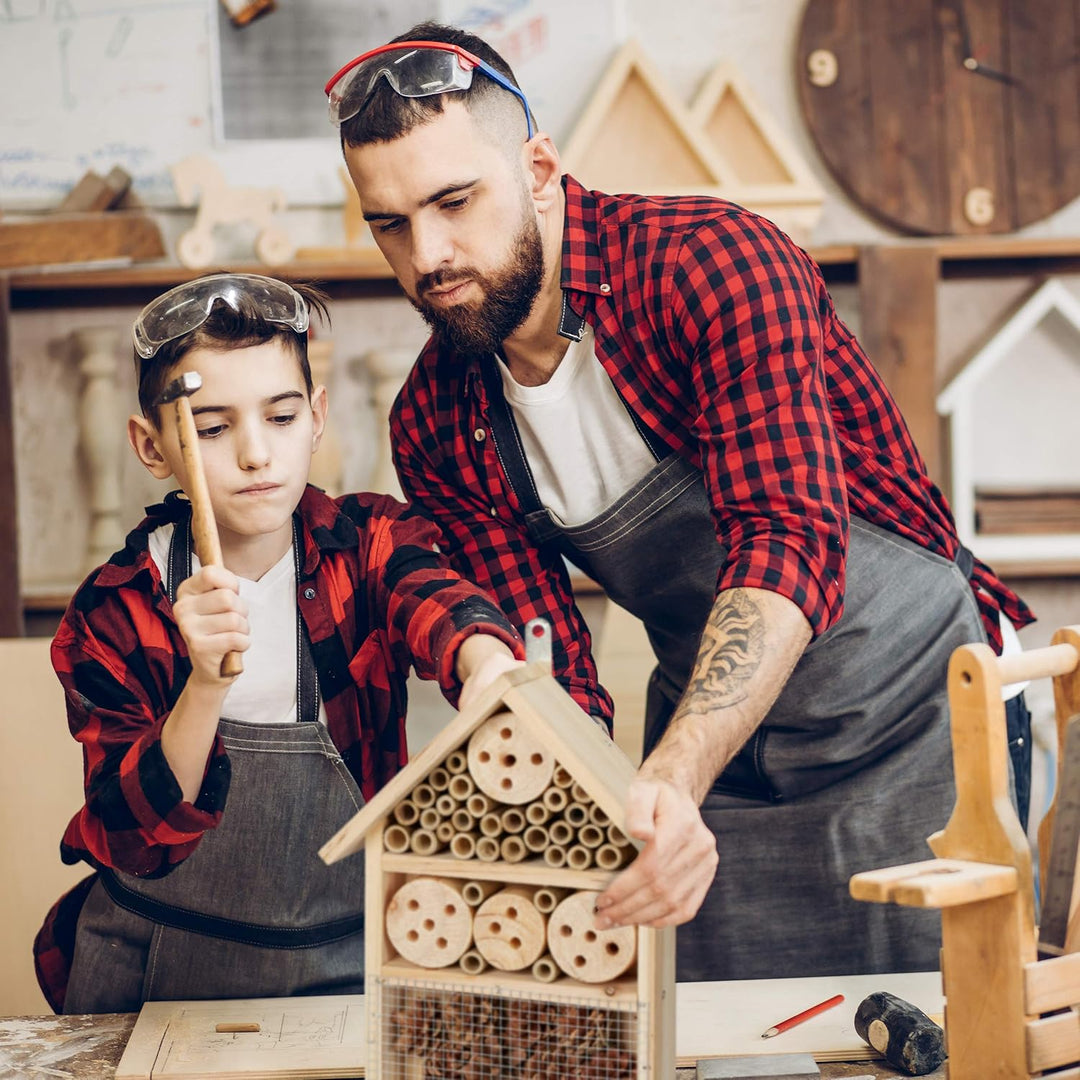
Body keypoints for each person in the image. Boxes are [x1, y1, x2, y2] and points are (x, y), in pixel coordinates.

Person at [327, 24, 1035, 979]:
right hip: (720, 754)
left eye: (455, 201)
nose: (429, 256)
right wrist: (599, 811)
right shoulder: (437, 417)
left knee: (934, 1022)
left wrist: (674, 766)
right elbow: (547, 667)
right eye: (390, 223)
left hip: (917, 710)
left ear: (538, 169)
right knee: (713, 1030)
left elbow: (786, 537)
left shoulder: (710, 266)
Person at [34, 273, 526, 1013]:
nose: (257, 454)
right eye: (211, 428)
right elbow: (133, 837)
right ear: (152, 446)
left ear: (317, 417)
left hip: (344, 958)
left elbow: (435, 598)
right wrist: (204, 685)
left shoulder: (365, 544)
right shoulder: (116, 609)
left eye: (282, 416)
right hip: (160, 963)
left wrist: (485, 663)